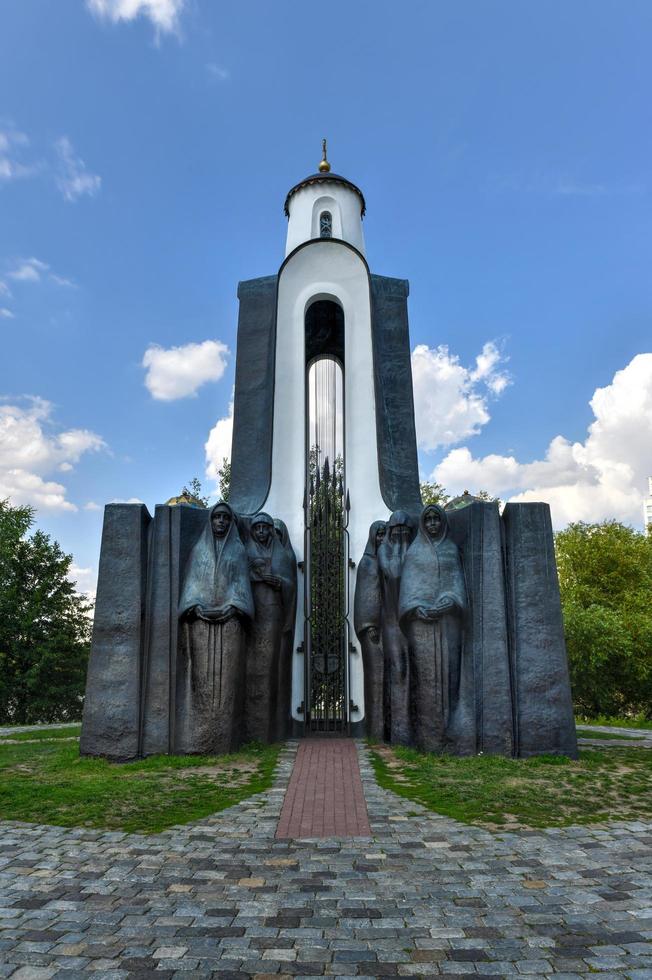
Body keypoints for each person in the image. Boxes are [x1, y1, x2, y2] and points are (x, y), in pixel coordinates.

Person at [177, 501, 254, 754]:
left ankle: (224, 739)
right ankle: (198, 739)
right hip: (200, 621)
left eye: (225, 518)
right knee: (201, 678)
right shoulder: (199, 550)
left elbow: (241, 584)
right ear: (210, 521)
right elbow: (191, 584)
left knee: (227, 680)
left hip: (230, 620)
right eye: (217, 517)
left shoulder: (238, 551)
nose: (220, 521)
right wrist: (195, 606)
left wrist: (233, 606)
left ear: (231, 523)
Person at [399, 504, 467, 753]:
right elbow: (408, 588)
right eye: (427, 521)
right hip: (421, 625)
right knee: (425, 677)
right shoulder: (414, 553)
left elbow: (457, 581)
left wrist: (451, 599)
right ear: (422, 525)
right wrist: (415, 607)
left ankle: (450, 736)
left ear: (442, 522)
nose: (432, 525)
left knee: (450, 675)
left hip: (447, 622)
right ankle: (426, 738)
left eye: (436, 520)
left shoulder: (451, 549)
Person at [245, 512, 295, 743]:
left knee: (269, 665)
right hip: (252, 613)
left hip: (273, 613)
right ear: (253, 531)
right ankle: (253, 728)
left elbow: (290, 583)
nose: (263, 532)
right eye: (258, 528)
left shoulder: (282, 554)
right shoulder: (245, 550)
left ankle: (269, 728)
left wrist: (280, 582)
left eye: (266, 528)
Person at [378, 510, 415, 744]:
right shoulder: (385, 550)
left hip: (412, 620)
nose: (401, 534)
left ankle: (410, 728)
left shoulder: (415, 549)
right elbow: (393, 573)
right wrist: (402, 550)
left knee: (415, 672)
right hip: (392, 621)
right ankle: (398, 729)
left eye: (405, 530)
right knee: (398, 669)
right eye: (396, 530)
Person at [354, 521, 387, 741]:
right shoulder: (367, 563)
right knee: (376, 679)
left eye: (385, 534)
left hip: (389, 626)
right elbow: (365, 599)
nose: (382, 539)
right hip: (373, 630)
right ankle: (376, 728)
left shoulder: (388, 559)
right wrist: (369, 625)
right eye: (379, 535)